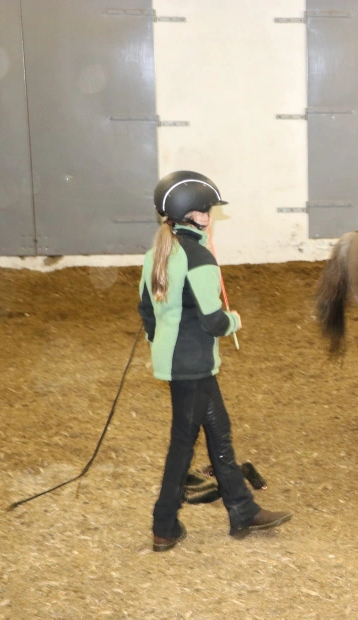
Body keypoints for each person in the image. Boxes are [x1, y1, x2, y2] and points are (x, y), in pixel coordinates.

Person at [138, 170, 291, 552]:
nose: (210, 216)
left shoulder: (157, 253)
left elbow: (146, 310)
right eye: (206, 210)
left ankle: (242, 509)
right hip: (193, 364)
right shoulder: (199, 258)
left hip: (178, 363)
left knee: (218, 429)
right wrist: (234, 320)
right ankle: (164, 525)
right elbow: (213, 321)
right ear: (192, 215)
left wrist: (162, 345)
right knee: (183, 444)